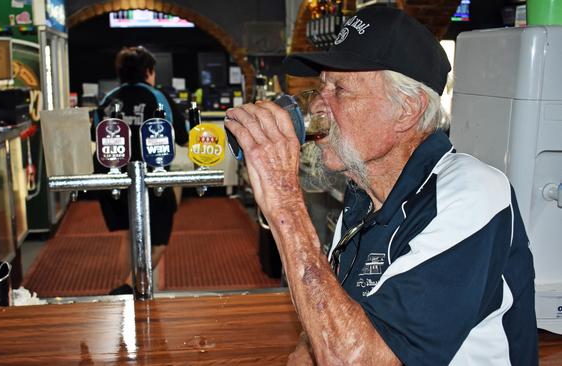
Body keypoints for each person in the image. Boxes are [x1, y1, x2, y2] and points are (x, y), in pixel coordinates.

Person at [225, 6, 538, 365]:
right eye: (320, 88)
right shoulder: (361, 199)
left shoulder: (473, 194)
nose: (317, 107)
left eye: (339, 90)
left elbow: (357, 360)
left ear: (406, 109)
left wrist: (284, 203)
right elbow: (323, 332)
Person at [94, 46, 188, 294]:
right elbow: (183, 137)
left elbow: (97, 137)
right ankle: (129, 288)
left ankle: (125, 287)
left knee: (129, 234)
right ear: (149, 71)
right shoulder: (158, 97)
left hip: (112, 181)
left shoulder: (107, 100)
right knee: (158, 241)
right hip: (151, 181)